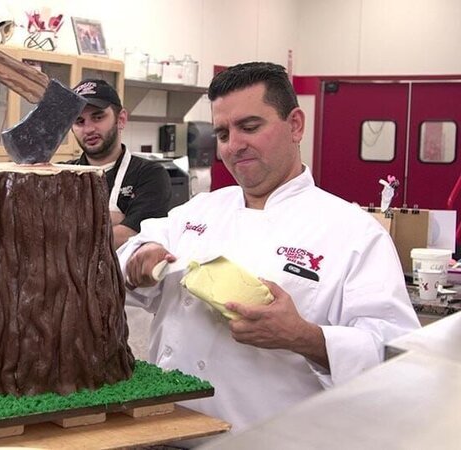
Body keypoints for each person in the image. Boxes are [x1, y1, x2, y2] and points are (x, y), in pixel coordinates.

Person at [118, 62, 420, 434]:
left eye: (250, 127)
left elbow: (397, 356)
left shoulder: (354, 233)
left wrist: (304, 337)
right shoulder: (200, 209)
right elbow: (134, 252)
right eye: (223, 132)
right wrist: (141, 256)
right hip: (164, 432)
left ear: (295, 125)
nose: (233, 145)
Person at [65, 79, 172, 248]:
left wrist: (71, 232)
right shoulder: (62, 175)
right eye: (79, 121)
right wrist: (112, 219)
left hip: (122, 274)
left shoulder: (150, 175)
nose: (88, 129)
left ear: (121, 119)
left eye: (98, 117)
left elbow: (131, 236)